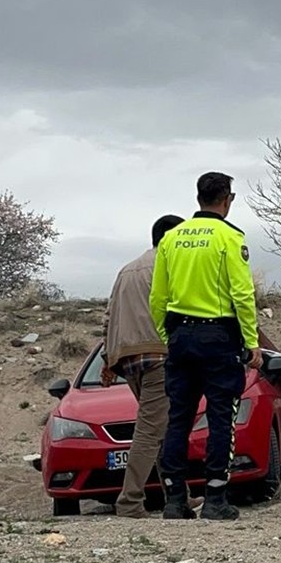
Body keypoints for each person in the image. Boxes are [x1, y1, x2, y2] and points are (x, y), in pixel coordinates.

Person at [150, 172, 263, 521]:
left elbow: (157, 298)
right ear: (226, 199)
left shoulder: (171, 239)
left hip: (181, 336)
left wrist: (169, 337)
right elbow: (242, 294)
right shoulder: (229, 237)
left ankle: (174, 499)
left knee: (178, 419)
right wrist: (252, 342)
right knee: (220, 418)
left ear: (198, 197)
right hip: (218, 337)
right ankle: (215, 498)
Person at [101, 214, 185, 518]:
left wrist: (108, 360)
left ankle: (177, 496)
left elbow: (108, 318)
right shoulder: (170, 266)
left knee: (161, 428)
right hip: (159, 357)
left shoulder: (127, 270)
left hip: (129, 360)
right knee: (151, 431)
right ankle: (130, 501)